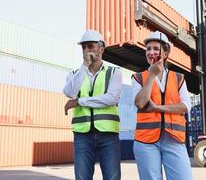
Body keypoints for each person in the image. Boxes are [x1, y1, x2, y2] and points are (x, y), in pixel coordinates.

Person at [131, 31, 193, 180]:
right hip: (145, 141)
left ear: (166, 52)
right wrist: (152, 75)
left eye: (156, 48)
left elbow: (186, 106)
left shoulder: (178, 78)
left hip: (174, 139)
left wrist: (158, 108)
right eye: (148, 49)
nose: (151, 52)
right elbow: (139, 102)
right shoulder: (138, 77)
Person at [63, 29, 122, 180]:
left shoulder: (114, 72)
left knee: (112, 178)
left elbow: (111, 98)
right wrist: (84, 66)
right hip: (82, 135)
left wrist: (80, 102)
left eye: (91, 46)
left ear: (101, 48)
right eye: (84, 47)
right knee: (82, 177)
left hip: (108, 135)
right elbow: (70, 92)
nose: (86, 50)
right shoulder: (75, 74)